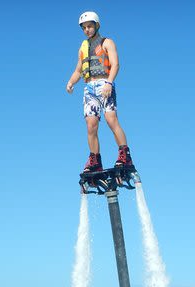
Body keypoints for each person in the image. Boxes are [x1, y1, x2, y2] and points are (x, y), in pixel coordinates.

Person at [66, 11, 134, 173]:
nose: (87, 30)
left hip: (104, 84)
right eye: (84, 28)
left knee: (111, 120)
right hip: (89, 88)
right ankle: (95, 160)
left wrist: (109, 83)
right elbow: (78, 70)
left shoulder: (107, 42)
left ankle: (125, 155)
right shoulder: (82, 47)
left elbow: (115, 64)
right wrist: (70, 82)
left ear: (96, 26)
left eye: (90, 26)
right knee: (91, 126)